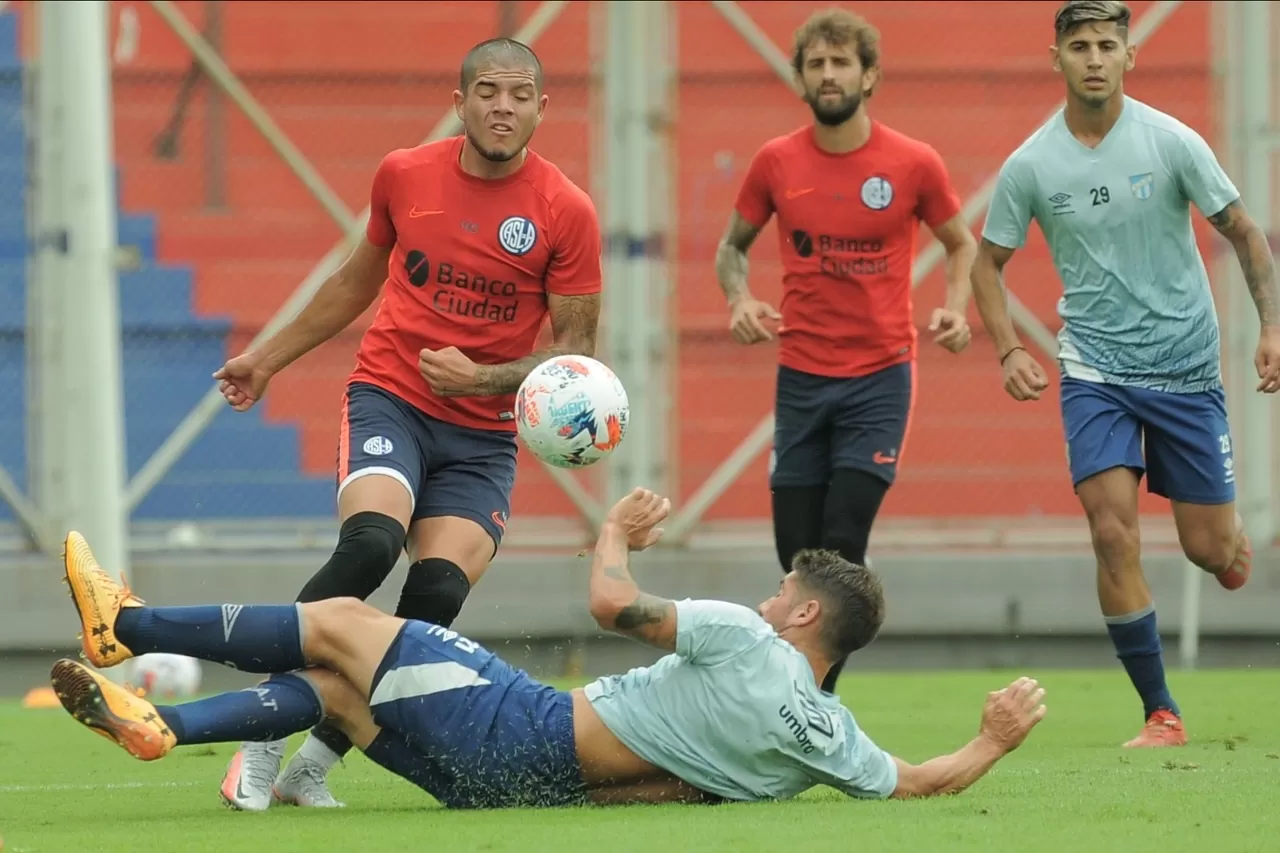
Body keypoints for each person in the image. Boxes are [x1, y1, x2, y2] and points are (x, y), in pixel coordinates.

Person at [54, 494, 1047, 810]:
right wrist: (992, 739)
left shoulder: (744, 640)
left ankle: (127, 627)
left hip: (515, 719)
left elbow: (611, 603)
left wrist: (613, 527)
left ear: (799, 619)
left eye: (779, 592)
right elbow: (919, 780)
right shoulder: (820, 737)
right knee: (336, 691)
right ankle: (164, 724)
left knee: (343, 620)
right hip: (521, 785)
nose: (762, 597)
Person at [208, 37, 603, 809]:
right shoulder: (405, 173)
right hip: (393, 395)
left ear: (542, 110)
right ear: (460, 103)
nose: (503, 106)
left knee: (436, 596)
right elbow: (356, 280)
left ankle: (314, 761)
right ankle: (259, 731)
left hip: (482, 435)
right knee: (371, 544)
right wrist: (266, 359)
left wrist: (483, 377)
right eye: (488, 91)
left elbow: (576, 357)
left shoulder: (567, 211)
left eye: (520, 95)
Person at [971, 0, 1279, 748]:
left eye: (1109, 44)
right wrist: (1011, 347)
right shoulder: (1032, 163)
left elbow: (1242, 229)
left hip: (1186, 368)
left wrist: (1271, 326)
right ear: (1058, 58)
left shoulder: (1171, 141)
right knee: (1111, 530)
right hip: (1094, 371)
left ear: (1129, 56)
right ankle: (1160, 711)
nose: (1096, 58)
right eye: (1080, 46)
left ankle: (1230, 548)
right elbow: (987, 263)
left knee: (1211, 551)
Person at [715, 8, 978, 693]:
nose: (829, 75)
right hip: (801, 378)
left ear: (871, 75)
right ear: (800, 77)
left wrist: (955, 306)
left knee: (840, 541)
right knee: (797, 555)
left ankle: (812, 701)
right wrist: (738, 299)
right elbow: (730, 249)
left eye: (841, 62)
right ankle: (798, 696)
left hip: (879, 378)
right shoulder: (776, 161)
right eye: (816, 64)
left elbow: (961, 242)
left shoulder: (913, 163)